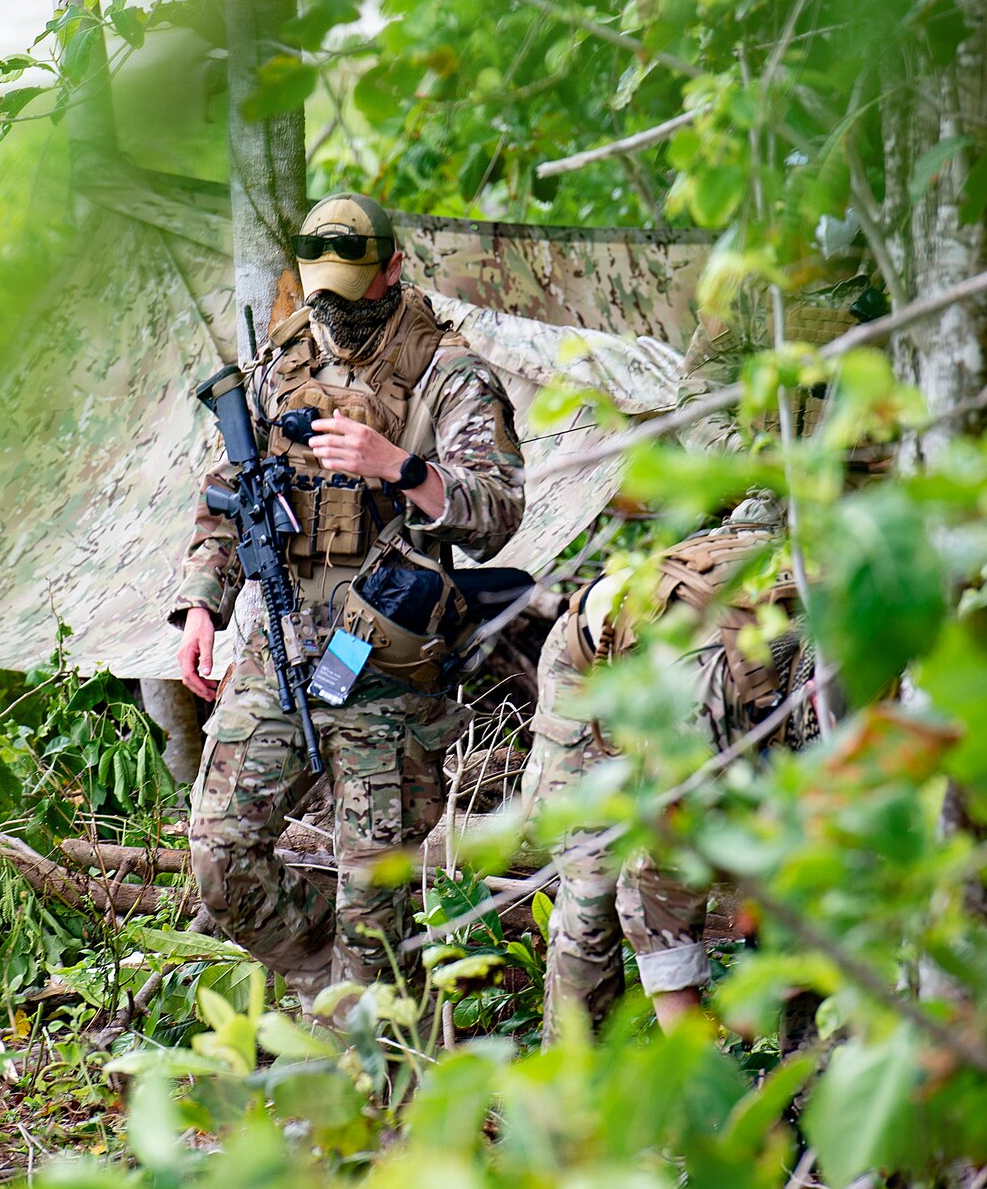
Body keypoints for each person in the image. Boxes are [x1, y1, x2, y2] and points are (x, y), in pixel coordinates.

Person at [170, 192, 526, 999]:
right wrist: (202, 605)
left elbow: (497, 512)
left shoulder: (449, 372)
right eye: (319, 287)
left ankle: (364, 1022)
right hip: (283, 647)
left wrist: (400, 466)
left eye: (349, 287)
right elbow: (229, 492)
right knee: (220, 856)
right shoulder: (278, 370)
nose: (331, 307)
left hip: (389, 667)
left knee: (375, 898)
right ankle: (334, 978)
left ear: (393, 269)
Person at [524, 493, 823, 1039]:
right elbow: (655, 885)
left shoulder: (870, 667)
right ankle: (574, 1095)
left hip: (716, 657)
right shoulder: (707, 717)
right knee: (593, 894)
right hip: (593, 666)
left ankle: (808, 1094)